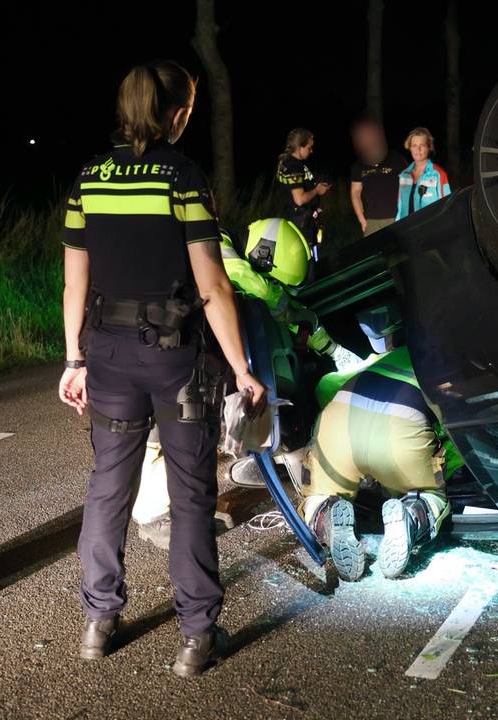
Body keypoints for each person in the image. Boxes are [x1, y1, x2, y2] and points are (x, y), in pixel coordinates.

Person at [57, 60, 265, 677]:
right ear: (177, 113)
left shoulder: (88, 179)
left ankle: (99, 621)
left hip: (110, 354)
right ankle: (197, 637)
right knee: (192, 492)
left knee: (108, 484)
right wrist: (243, 370)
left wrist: (74, 358)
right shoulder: (183, 177)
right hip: (177, 359)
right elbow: (212, 284)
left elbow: (75, 281)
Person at [130, 217, 339, 543]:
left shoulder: (216, 239)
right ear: (264, 257)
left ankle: (176, 506)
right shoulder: (218, 244)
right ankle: (155, 517)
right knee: (170, 435)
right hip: (155, 346)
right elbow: (240, 280)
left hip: (153, 341)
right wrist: (285, 307)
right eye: (276, 282)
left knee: (179, 429)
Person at [300, 344, 459, 581]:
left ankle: (328, 519)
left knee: (316, 497)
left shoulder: (383, 358)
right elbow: (460, 430)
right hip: (400, 435)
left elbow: (325, 386)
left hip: (339, 426)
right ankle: (412, 514)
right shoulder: (452, 365)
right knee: (431, 495)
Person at [348, 118, 405, 236]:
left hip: (396, 217)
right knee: (372, 253)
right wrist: (362, 220)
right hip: (372, 221)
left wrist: (403, 213)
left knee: (400, 253)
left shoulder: (395, 158)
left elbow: (407, 185)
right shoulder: (358, 165)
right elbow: (355, 193)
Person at [276, 128, 331, 242]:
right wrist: (317, 190)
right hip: (300, 222)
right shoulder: (293, 166)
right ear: (300, 147)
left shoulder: (293, 163)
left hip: (301, 219)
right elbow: (299, 199)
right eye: (309, 148)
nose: (311, 151)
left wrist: (317, 185)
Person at [394, 127, 451, 221]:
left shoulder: (438, 174)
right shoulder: (404, 175)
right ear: (410, 147)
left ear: (429, 147)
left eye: (422, 145)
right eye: (414, 145)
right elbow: (400, 206)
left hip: (429, 228)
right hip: (406, 227)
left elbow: (447, 205)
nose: (418, 149)